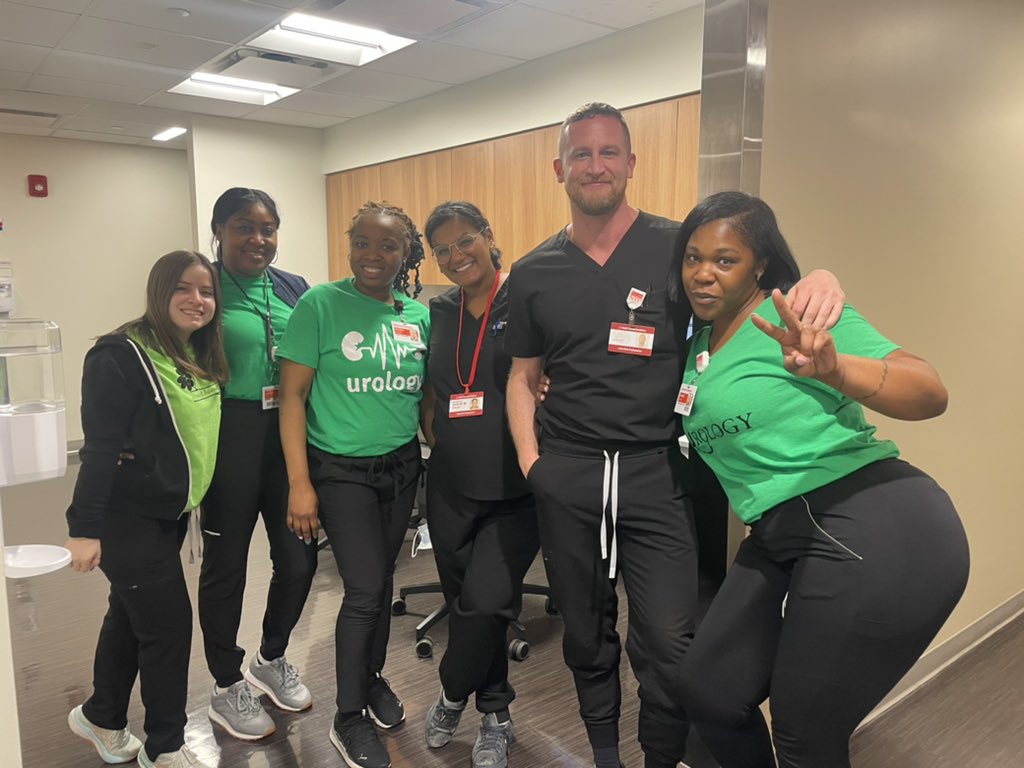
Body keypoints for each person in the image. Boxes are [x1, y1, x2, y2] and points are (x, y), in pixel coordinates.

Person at [504, 102, 845, 768]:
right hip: (568, 473)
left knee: (670, 641)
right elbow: (523, 377)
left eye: (609, 153)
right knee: (585, 632)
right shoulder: (533, 272)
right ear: (560, 168)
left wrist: (821, 278)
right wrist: (532, 465)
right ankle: (605, 755)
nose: (595, 166)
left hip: (656, 474)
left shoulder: (674, 250)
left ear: (631, 164)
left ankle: (660, 758)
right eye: (582, 154)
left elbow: (760, 284)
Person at [674, 191, 969, 768]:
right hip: (782, 530)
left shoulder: (800, 318)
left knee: (805, 732)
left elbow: (929, 391)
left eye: (725, 259)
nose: (703, 274)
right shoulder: (699, 347)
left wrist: (836, 370)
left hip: (874, 519)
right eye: (692, 257)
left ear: (759, 264)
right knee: (709, 688)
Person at [277, 201, 428, 768]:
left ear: (405, 253)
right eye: (362, 242)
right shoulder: (320, 304)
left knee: (382, 582)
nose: (374, 255)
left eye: (388, 246)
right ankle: (347, 717)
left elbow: (426, 400)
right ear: (349, 246)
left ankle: (370, 678)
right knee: (364, 590)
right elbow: (291, 398)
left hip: (402, 466)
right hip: (339, 471)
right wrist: (300, 484)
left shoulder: (417, 315)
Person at [65, 250, 227, 768]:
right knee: (168, 628)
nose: (196, 300)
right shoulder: (119, 355)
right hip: (125, 516)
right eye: (183, 288)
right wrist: (83, 529)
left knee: (130, 617)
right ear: (159, 291)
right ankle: (166, 747)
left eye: (206, 291)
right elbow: (99, 448)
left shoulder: (193, 351)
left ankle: (102, 715)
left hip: (169, 515)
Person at [419, 201, 540, 768]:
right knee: (465, 605)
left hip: (515, 487)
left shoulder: (526, 296)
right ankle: (495, 714)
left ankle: (449, 694)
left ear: (489, 237)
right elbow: (430, 386)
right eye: (441, 249)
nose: (454, 256)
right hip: (449, 484)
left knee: (488, 603)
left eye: (464, 241)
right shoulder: (438, 310)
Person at [198, 187, 318, 740]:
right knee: (228, 567)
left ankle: (271, 657)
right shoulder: (204, 289)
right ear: (218, 230)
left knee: (299, 560)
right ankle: (226, 684)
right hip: (230, 433)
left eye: (268, 228)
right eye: (244, 226)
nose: (258, 238)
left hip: (289, 432)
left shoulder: (294, 287)